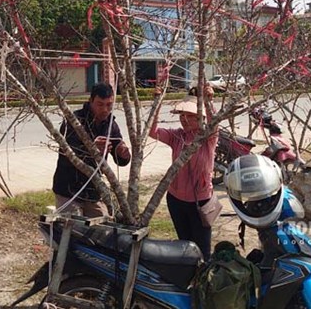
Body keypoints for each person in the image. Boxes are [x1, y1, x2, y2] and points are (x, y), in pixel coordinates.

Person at [149, 85, 218, 259]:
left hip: (200, 201)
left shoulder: (208, 137)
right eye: (182, 115)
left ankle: (203, 275)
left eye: (190, 115)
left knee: (203, 251)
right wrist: (157, 103)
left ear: (201, 117)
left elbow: (214, 123)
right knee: (184, 246)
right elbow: (152, 131)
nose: (184, 120)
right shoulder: (177, 136)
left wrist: (209, 101)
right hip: (176, 200)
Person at [52, 82, 131, 217]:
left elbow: (120, 158)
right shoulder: (74, 121)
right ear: (90, 101)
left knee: (104, 223)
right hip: (68, 189)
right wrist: (92, 149)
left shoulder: (111, 124)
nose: (105, 109)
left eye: (109, 105)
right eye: (100, 104)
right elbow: (68, 155)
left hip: (93, 190)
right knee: (73, 227)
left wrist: (123, 154)